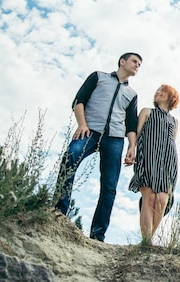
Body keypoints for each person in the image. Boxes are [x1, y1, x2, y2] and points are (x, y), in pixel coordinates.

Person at [55, 52, 142, 242]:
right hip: (89, 131)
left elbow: (131, 124)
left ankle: (98, 234)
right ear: (122, 61)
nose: (137, 65)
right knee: (70, 159)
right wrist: (82, 124)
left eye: (139, 64)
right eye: (134, 61)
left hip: (115, 139)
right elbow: (79, 101)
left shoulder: (132, 94)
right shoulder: (98, 77)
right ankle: (58, 213)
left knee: (109, 186)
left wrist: (131, 147)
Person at [126, 84, 179, 245]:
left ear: (171, 97)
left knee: (162, 200)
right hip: (148, 157)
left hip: (168, 161)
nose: (158, 92)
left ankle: (148, 241)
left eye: (162, 91)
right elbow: (137, 133)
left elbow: (173, 142)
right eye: (157, 90)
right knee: (149, 198)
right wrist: (131, 149)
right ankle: (146, 242)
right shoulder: (147, 112)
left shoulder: (174, 121)